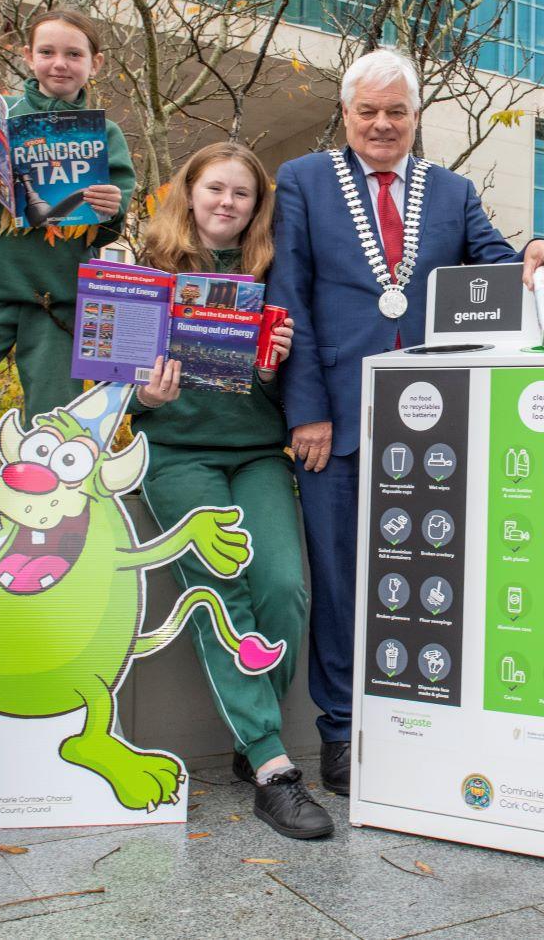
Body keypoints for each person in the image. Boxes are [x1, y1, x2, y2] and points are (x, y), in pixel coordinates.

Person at [266, 47, 544, 794]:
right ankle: (340, 734)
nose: (381, 124)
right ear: (346, 115)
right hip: (336, 423)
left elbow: (492, 270)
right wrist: (305, 411)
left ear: (415, 116)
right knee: (340, 583)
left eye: (395, 111)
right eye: (367, 111)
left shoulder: (452, 190)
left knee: (437, 572)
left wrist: (533, 250)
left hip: (438, 429)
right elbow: (291, 293)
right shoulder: (303, 182)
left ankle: (430, 719)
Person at [127, 141, 327, 839]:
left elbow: (286, 383)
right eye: (215, 188)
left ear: (256, 206)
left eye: (242, 194)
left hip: (255, 453)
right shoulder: (147, 271)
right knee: (222, 591)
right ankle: (273, 767)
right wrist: (144, 396)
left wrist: (273, 373)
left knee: (282, 586)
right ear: (189, 192)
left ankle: (251, 734)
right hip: (179, 456)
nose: (227, 203)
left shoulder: (274, 275)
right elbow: (115, 392)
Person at [0, 8, 135, 494]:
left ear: (95, 63)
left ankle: (52, 497)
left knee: (56, 408)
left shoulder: (106, 135)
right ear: (28, 56)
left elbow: (109, 223)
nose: (59, 63)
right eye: (47, 52)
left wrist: (109, 208)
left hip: (56, 298)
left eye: (73, 54)